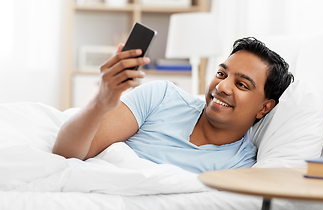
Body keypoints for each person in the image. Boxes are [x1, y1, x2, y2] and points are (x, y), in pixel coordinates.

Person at [52, 37, 294, 174]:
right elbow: (67, 153)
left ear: (264, 108)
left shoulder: (240, 166)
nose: (222, 87)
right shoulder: (160, 97)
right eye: (221, 73)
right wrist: (101, 101)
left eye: (241, 85)